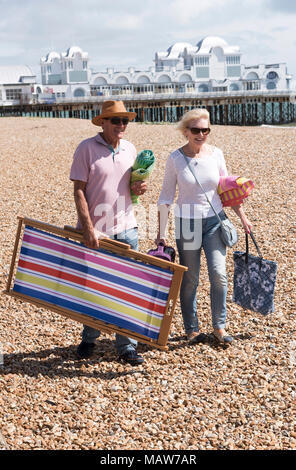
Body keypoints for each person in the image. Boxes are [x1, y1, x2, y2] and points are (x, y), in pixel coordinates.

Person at [156, 108, 252, 345]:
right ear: (186, 131)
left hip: (214, 222)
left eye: (205, 130)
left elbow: (227, 190)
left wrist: (243, 217)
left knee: (219, 274)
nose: (201, 134)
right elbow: (166, 197)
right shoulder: (175, 159)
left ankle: (219, 327)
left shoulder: (217, 154)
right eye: (196, 130)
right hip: (187, 224)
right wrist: (160, 233)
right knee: (190, 279)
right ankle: (192, 329)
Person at [70, 100, 147, 365]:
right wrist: (88, 228)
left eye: (125, 121)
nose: (122, 125)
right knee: (94, 287)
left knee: (126, 288)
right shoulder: (86, 149)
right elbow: (78, 190)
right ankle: (89, 338)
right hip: (96, 232)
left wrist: (138, 189)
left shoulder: (130, 149)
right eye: (116, 120)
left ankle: (127, 347)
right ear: (103, 122)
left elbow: (131, 187)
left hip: (127, 228)